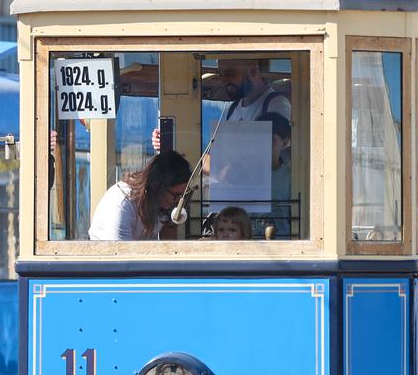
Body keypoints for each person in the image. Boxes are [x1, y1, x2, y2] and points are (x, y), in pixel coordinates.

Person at [152, 58, 290, 151]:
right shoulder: (232, 110)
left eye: (230, 73)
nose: (224, 80)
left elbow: (249, 161)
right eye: (221, 74)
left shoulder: (277, 106)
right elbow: (219, 153)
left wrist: (178, 148)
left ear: (253, 70)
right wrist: (170, 144)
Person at [88, 151, 191, 241]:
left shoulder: (160, 204)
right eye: (176, 195)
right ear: (158, 187)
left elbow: (169, 248)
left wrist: (170, 223)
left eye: (183, 196)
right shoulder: (122, 205)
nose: (178, 201)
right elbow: (121, 257)